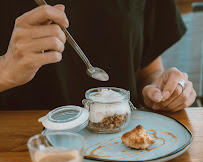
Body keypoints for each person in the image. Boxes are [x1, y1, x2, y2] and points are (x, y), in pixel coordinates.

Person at [0, 0, 196, 111]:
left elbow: (148, 69)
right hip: (23, 153)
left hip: (123, 148)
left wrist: (160, 90)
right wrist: (5, 71)